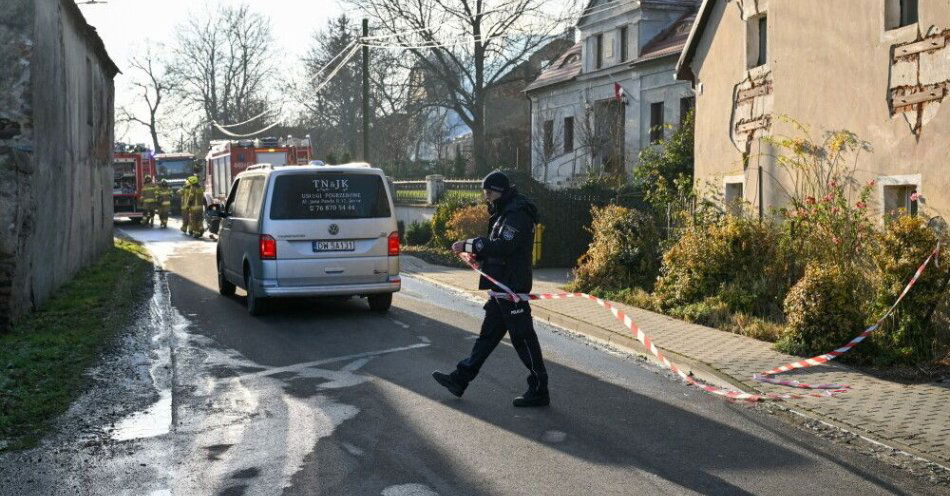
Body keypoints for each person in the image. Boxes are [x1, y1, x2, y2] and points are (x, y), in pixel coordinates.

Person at [432, 170, 550, 407]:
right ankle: (460, 379)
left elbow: (504, 246)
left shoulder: (517, 213)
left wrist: (471, 244)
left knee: (523, 338)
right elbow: (498, 250)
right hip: (502, 286)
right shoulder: (504, 211)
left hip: (512, 286)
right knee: (487, 337)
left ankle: (539, 389)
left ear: (500, 191)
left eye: (489, 193)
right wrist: (480, 258)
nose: (486, 198)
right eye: (485, 193)